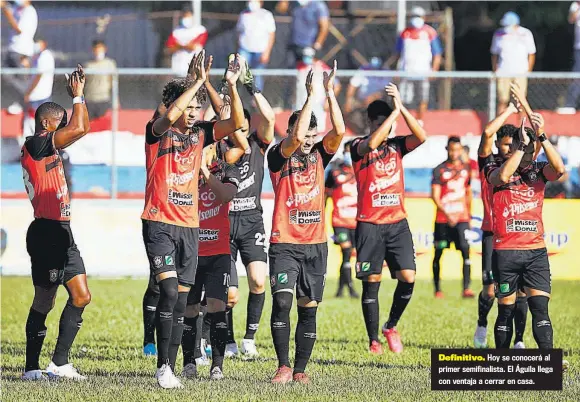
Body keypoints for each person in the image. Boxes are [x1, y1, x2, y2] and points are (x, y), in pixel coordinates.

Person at [141, 50, 244, 389]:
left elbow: (235, 125)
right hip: (158, 222)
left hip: (189, 228)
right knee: (169, 290)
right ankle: (162, 366)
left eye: (196, 108)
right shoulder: (157, 133)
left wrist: (228, 85)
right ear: (171, 106)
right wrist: (195, 81)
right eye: (187, 107)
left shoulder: (200, 134)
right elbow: (167, 116)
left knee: (182, 299)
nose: (192, 113)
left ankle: (169, 367)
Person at [267, 61, 345, 384]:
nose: (309, 139)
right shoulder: (277, 155)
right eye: (304, 133)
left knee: (308, 308)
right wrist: (310, 95)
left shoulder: (320, 156)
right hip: (284, 242)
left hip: (315, 245)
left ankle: (300, 370)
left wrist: (328, 94)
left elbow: (339, 132)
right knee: (283, 301)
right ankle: (283, 366)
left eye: (314, 133)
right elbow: (297, 136)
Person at [21, 65, 91, 381]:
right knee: (45, 300)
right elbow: (78, 128)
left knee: (81, 295)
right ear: (47, 123)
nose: (64, 129)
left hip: (63, 231)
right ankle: (31, 368)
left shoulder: (48, 144)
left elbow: (81, 127)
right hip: (46, 231)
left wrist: (80, 98)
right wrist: (76, 98)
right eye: (59, 123)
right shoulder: (35, 144)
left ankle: (59, 363)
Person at [350, 84, 427, 355]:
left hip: (397, 223)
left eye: (389, 124)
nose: (387, 130)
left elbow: (422, 136)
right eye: (381, 124)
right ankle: (373, 340)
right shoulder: (357, 147)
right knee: (372, 282)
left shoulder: (397, 147)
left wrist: (401, 108)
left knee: (408, 277)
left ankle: (390, 326)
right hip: (370, 224)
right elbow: (372, 142)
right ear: (371, 123)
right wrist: (392, 117)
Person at [483, 112, 565, 351]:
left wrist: (542, 136)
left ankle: (548, 362)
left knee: (540, 309)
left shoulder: (539, 170)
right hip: (506, 252)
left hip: (535, 252)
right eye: (525, 150)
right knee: (505, 310)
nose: (529, 155)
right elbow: (504, 176)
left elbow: (559, 169)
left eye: (531, 151)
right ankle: (502, 360)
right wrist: (520, 149)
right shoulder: (494, 166)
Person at [222, 62, 275, 358]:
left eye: (244, 125)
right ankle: (227, 340)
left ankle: (249, 338)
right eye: (235, 125)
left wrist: (248, 83)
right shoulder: (219, 148)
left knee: (257, 280)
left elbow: (269, 116)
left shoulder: (258, 145)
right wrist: (224, 85)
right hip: (225, 223)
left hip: (252, 221)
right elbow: (209, 119)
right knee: (229, 293)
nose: (240, 130)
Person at [473, 92, 529, 349]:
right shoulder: (489, 163)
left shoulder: (523, 165)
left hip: (518, 237)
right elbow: (486, 132)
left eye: (511, 145)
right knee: (490, 291)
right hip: (491, 234)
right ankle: (482, 324)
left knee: (520, 292)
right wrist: (510, 109)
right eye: (504, 145)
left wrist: (525, 112)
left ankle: (518, 340)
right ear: (498, 145)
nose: (507, 149)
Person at [181, 143, 240, 381]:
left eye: (205, 147)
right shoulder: (185, 170)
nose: (200, 150)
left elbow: (226, 195)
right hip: (192, 252)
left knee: (218, 307)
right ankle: (188, 363)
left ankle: (217, 365)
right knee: (190, 308)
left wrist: (205, 172)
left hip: (219, 253)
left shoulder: (227, 169)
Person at [430, 136, 473, 298]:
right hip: (443, 220)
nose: (454, 153)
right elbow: (434, 196)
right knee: (439, 252)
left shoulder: (466, 168)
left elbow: (468, 193)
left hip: (461, 219)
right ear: (447, 149)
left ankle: (466, 288)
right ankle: (437, 289)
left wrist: (467, 215)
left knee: (465, 251)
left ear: (461, 150)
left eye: (457, 149)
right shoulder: (439, 169)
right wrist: (447, 214)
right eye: (452, 149)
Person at [391, 6, 442, 123]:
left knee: (422, 98)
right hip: (406, 72)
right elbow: (398, 53)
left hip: (423, 72)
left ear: (424, 17)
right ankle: (396, 123)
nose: (416, 19)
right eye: (414, 16)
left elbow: (437, 54)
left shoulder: (430, 32)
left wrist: (434, 70)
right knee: (400, 98)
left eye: (418, 16)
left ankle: (419, 121)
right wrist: (396, 70)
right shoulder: (405, 33)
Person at [325, 140, 358, 298]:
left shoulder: (362, 171)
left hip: (357, 221)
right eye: (347, 152)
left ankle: (340, 290)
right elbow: (326, 192)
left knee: (348, 254)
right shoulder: (335, 172)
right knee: (345, 250)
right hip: (340, 220)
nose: (349, 155)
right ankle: (350, 288)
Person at [491, 11, 536, 114]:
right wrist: (495, 69)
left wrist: (528, 70)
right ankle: (499, 128)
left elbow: (532, 53)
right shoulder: (499, 34)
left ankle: (522, 128)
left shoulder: (526, 33)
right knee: (502, 100)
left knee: (521, 101)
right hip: (503, 72)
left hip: (520, 72)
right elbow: (494, 53)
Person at [344, 57, 392, 134]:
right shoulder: (364, 69)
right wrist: (348, 100)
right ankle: (359, 132)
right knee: (348, 110)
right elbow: (352, 85)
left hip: (380, 101)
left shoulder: (385, 71)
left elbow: (386, 89)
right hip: (361, 101)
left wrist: (373, 97)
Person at [236, 0, 276, 91]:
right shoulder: (243, 14)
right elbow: (239, 32)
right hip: (245, 49)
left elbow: (271, 35)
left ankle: (256, 99)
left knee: (258, 75)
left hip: (260, 50)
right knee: (240, 73)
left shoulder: (266, 15)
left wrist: (267, 52)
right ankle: (237, 96)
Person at [278, 0, 329, 66]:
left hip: (309, 46)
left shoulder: (318, 5)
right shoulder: (295, 3)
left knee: (309, 71)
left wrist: (317, 45)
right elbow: (280, 9)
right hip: (294, 45)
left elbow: (324, 27)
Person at [22, 37, 55, 140]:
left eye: (38, 43)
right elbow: (31, 75)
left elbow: (38, 76)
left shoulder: (45, 57)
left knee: (38, 124)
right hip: (38, 95)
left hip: (40, 95)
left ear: (44, 44)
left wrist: (28, 93)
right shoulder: (37, 57)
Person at [166, 6, 208, 77]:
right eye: (184, 16)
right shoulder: (176, 31)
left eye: (188, 16)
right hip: (178, 68)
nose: (186, 19)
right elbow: (169, 49)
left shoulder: (200, 30)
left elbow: (193, 47)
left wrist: (179, 45)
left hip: (194, 69)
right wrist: (185, 45)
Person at [84, 39, 117, 120]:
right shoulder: (87, 65)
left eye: (100, 48)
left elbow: (113, 82)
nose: (98, 51)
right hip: (90, 99)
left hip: (103, 99)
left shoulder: (110, 64)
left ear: (105, 49)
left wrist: (115, 100)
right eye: (96, 48)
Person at [1, 0, 37, 67]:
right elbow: (8, 7)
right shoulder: (18, 8)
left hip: (21, 51)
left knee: (20, 76)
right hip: (12, 49)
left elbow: (18, 30)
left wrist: (7, 12)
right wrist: (5, 5)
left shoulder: (29, 11)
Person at [564, 2, 580, 110]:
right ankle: (570, 105)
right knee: (576, 76)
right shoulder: (576, 5)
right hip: (579, 48)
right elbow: (571, 19)